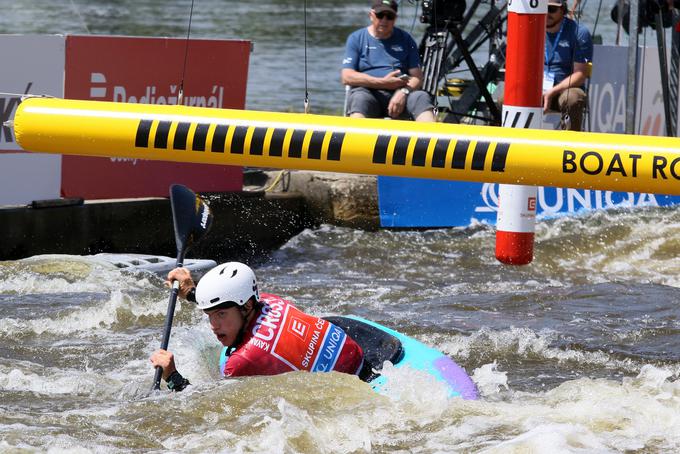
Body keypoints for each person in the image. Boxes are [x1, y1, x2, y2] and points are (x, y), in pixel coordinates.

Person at [149, 262, 365, 391]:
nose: (214, 325)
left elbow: (210, 407)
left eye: (221, 314)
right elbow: (228, 300)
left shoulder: (240, 363)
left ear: (247, 306)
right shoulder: (271, 301)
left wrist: (173, 376)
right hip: (356, 354)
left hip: (352, 384)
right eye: (210, 315)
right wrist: (191, 292)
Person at [341, 0, 436, 121]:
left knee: (421, 96)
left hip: (401, 93)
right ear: (371, 15)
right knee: (359, 98)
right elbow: (347, 77)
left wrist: (404, 92)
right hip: (368, 93)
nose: (384, 20)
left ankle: (429, 137)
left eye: (389, 16)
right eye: (380, 15)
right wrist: (382, 82)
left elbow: (417, 77)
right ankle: (354, 137)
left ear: (395, 18)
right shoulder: (356, 38)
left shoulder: (406, 39)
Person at [543, 0, 593, 131]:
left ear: (563, 10)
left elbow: (582, 74)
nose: (547, 13)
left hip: (565, 90)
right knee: (504, 99)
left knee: (573, 99)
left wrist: (552, 92)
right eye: (544, 8)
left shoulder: (580, 33)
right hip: (538, 88)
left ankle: (571, 144)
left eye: (552, 9)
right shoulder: (532, 28)